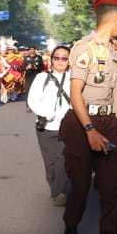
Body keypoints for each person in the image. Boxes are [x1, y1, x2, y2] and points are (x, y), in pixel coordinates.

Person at [59, 0, 117, 234]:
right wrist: (89, 129)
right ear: (116, 19)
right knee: (80, 186)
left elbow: (115, 88)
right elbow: (74, 92)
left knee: (111, 188)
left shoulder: (115, 51)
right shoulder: (84, 49)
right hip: (82, 122)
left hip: (109, 122)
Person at [27, 44, 73, 205]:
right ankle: (55, 187)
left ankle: (59, 192)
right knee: (50, 161)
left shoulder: (74, 78)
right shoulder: (41, 78)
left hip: (67, 127)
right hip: (46, 127)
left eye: (64, 58)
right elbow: (32, 100)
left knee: (62, 158)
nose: (60, 61)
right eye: (57, 58)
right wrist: (46, 114)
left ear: (69, 61)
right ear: (52, 60)